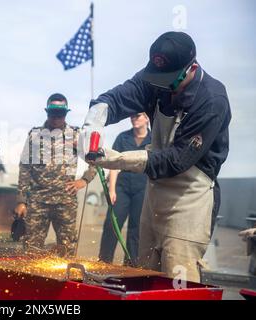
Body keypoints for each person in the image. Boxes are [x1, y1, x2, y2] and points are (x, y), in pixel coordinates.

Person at [83, 31, 231, 282]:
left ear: (191, 68)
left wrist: (116, 160)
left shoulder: (211, 99)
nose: (161, 85)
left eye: (169, 80)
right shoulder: (153, 78)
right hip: (155, 194)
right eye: (157, 77)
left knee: (178, 279)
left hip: (190, 197)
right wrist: (93, 122)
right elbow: (116, 99)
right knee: (145, 275)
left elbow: (176, 160)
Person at [15, 93, 96, 257]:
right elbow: (25, 167)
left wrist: (84, 179)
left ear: (66, 113)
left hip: (65, 201)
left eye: (61, 112)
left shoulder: (76, 135)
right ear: (47, 111)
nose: (56, 116)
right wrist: (21, 201)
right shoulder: (35, 135)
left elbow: (95, 161)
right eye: (53, 112)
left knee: (67, 250)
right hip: (38, 201)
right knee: (31, 249)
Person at [99, 113, 151, 266]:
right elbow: (114, 164)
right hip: (122, 186)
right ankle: (104, 262)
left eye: (138, 116)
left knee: (136, 229)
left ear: (147, 118)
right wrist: (112, 190)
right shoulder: (122, 138)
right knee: (111, 224)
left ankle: (131, 265)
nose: (134, 118)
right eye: (132, 116)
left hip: (143, 188)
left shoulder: (153, 140)